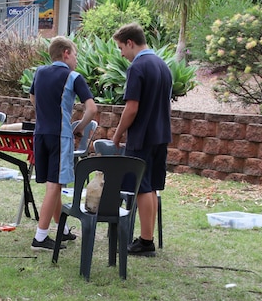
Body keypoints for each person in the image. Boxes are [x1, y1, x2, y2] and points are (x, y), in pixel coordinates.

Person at [29, 36, 98, 251]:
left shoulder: (39, 72)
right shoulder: (74, 76)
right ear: (66, 53)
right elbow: (92, 109)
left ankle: (62, 229)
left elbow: (33, 99)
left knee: (54, 183)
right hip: (60, 136)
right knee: (55, 185)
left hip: (40, 134)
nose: (76, 60)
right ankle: (40, 237)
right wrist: (79, 126)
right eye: (75, 55)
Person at [110, 23, 172, 257]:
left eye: (120, 48)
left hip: (142, 136)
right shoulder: (162, 65)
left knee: (141, 188)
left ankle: (146, 241)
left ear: (130, 43)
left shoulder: (138, 67)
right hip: (161, 134)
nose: (121, 54)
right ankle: (148, 237)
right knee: (152, 187)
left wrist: (117, 135)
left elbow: (132, 108)